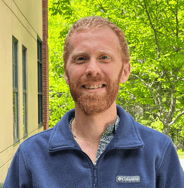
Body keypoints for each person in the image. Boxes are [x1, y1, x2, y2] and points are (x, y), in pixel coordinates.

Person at [3, 16, 184, 188]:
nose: (92, 69)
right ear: (66, 73)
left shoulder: (158, 152)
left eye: (104, 57)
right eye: (81, 59)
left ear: (125, 71)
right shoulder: (31, 156)